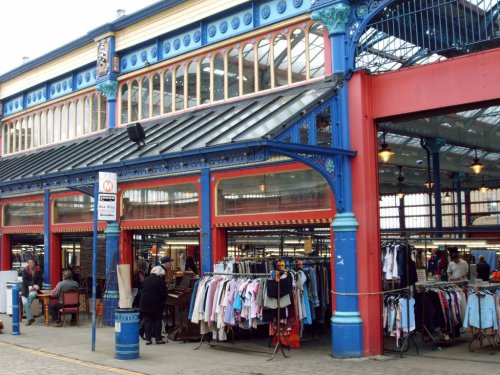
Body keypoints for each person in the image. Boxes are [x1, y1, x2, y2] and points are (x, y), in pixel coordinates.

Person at [140, 265, 168, 345]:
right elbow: (164, 294)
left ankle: (148, 339)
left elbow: (142, 289)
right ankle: (158, 339)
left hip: (144, 303)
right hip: (156, 304)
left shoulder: (146, 279)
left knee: (147, 320)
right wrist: (163, 302)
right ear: (159, 273)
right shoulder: (160, 281)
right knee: (157, 320)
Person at [21, 258, 44, 326]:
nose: (31, 264)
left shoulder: (39, 270)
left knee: (31, 296)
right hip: (25, 289)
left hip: (34, 289)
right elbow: (24, 281)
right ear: (28, 263)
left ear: (34, 263)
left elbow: (40, 280)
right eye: (29, 262)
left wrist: (35, 287)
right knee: (25, 302)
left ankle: (28, 316)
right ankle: (30, 318)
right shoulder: (25, 270)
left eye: (32, 262)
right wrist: (32, 285)